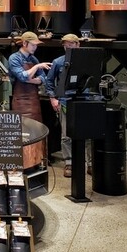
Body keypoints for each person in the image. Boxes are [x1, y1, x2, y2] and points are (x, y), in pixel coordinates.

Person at [45, 33, 92, 178]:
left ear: (78, 44)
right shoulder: (58, 62)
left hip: (84, 101)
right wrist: (53, 98)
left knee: (88, 134)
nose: (68, 47)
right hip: (65, 101)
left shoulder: (87, 61)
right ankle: (69, 163)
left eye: (71, 45)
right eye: (66, 45)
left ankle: (90, 164)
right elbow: (49, 81)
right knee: (66, 135)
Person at [8, 31, 51, 123]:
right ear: (24, 43)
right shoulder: (14, 58)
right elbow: (23, 77)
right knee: (22, 128)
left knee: (36, 128)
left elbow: (43, 78)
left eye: (36, 45)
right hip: (20, 102)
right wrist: (36, 67)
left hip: (34, 101)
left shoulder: (33, 59)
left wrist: (31, 80)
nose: (35, 47)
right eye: (33, 45)